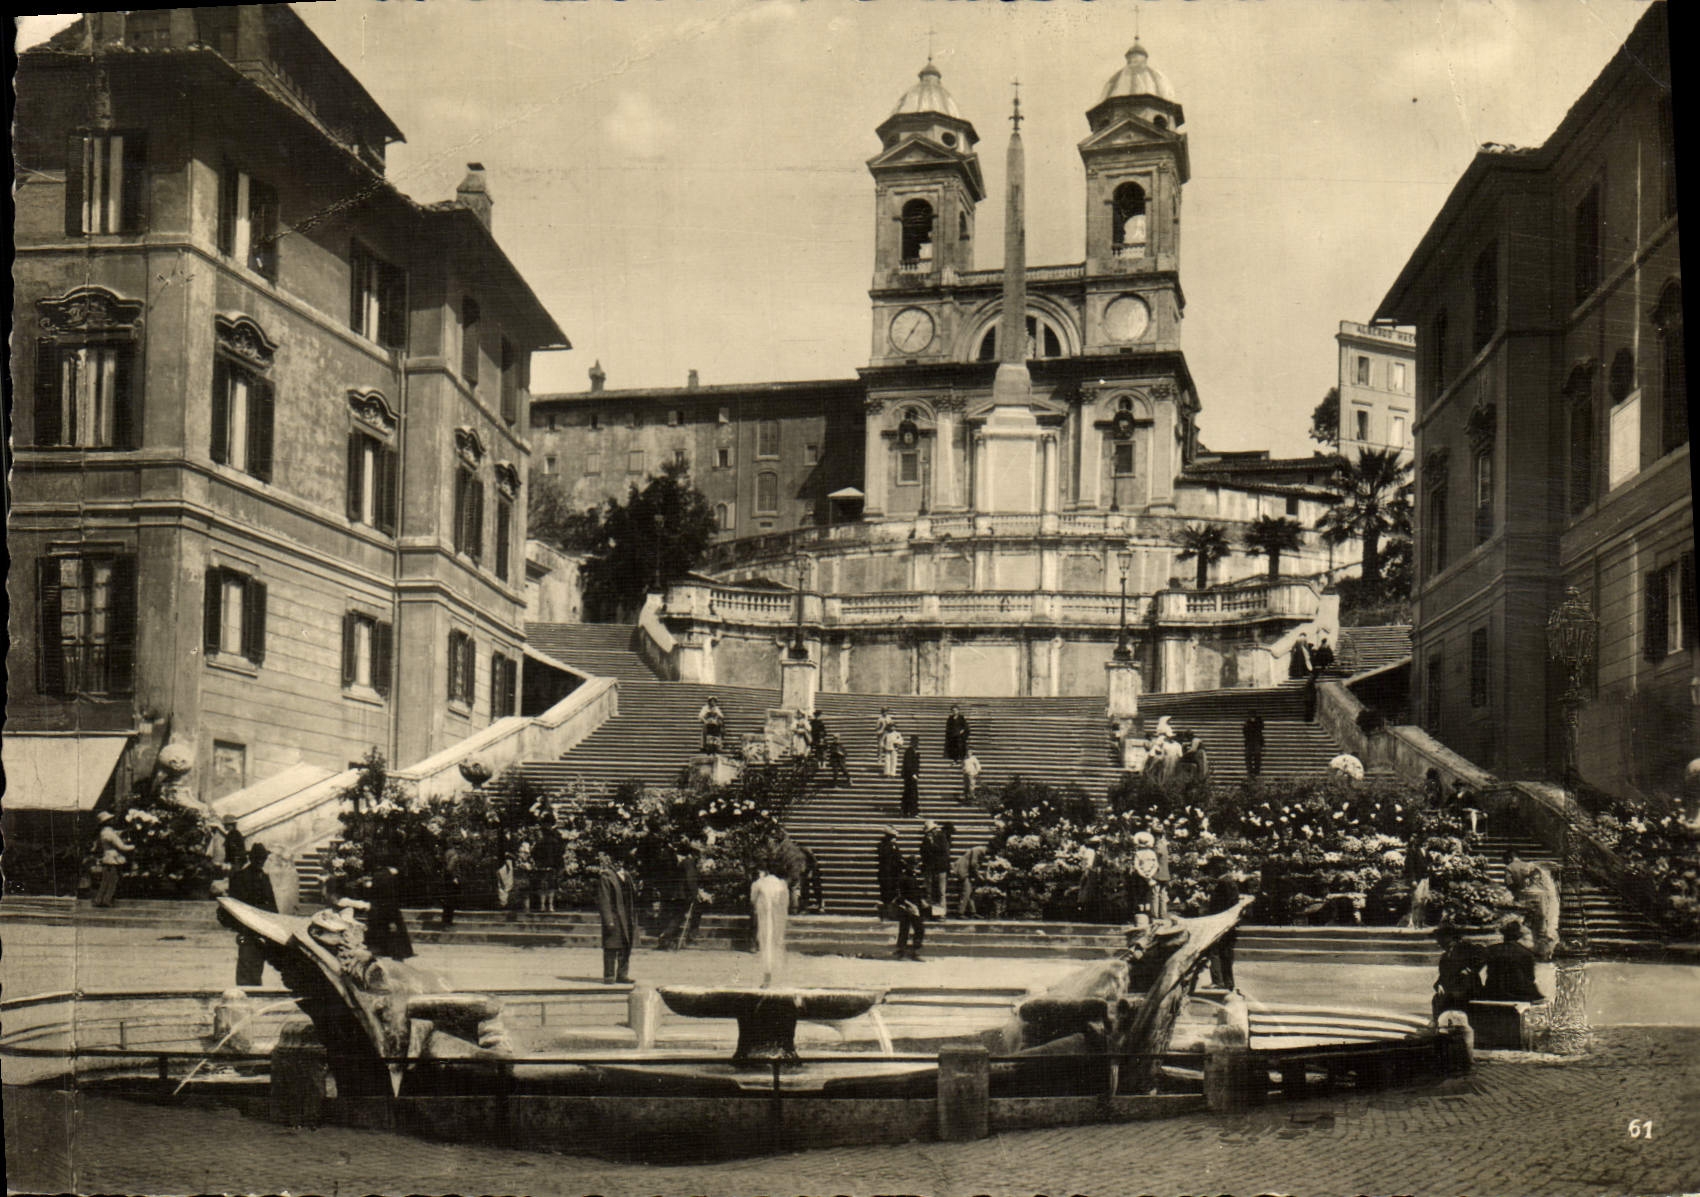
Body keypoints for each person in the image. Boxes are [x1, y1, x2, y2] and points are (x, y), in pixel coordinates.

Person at [228, 842, 277, 985]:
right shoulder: (240, 877)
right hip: (246, 924)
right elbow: (235, 903)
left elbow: (271, 901)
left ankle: (255, 987)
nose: (261, 862)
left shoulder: (264, 877)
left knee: (257, 961)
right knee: (246, 958)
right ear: (252, 859)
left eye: (263, 859)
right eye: (259, 859)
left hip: (262, 925)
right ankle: (245, 988)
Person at [1504, 849, 1560, 961]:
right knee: (1541, 924)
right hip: (1542, 897)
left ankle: (1526, 950)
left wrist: (1515, 894)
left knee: (1526, 923)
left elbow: (1509, 883)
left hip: (1525, 897)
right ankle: (1543, 952)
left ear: (1509, 858)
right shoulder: (1529, 865)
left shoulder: (1509, 867)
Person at [596, 852, 638, 984]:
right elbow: (604, 900)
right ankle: (609, 975)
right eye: (616, 861)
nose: (618, 863)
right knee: (611, 945)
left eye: (621, 861)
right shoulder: (606, 877)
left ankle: (622, 974)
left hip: (627, 915)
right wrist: (608, 919)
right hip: (614, 915)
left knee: (626, 945)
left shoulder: (627, 876)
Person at [1479, 920, 1544, 1002]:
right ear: (1518, 936)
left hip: (1494, 990)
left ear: (1504, 935)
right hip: (1518, 993)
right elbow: (1530, 977)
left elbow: (1478, 968)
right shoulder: (1526, 953)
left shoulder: (1491, 949)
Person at [364, 858, 415, 959]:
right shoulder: (391, 874)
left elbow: (374, 891)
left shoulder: (378, 875)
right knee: (396, 926)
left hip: (382, 904)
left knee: (385, 927)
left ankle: (388, 950)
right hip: (392, 902)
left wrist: (368, 886)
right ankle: (404, 950)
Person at [1431, 925, 1484, 1021]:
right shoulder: (1444, 957)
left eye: (1441, 939)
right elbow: (1443, 975)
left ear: (1451, 938)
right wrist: (1439, 984)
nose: (1439, 943)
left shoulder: (1467, 948)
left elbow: (1482, 955)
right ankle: (1439, 1026)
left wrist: (1471, 969)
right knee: (1437, 999)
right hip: (1454, 989)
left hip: (1469, 989)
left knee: (1453, 1000)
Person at [1205, 855, 1241, 990]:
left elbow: (1226, 904)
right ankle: (1226, 982)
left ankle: (1221, 981)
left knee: (1218, 951)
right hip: (1226, 923)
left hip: (1222, 923)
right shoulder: (1229, 881)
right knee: (1224, 953)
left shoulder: (1224, 883)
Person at [657, 842, 702, 950]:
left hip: (678, 894)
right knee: (678, 917)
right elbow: (690, 880)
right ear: (693, 853)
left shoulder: (683, 862)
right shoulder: (689, 862)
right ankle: (665, 937)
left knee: (677, 916)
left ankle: (667, 939)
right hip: (682, 895)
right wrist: (695, 894)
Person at [751, 864, 790, 987]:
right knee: (776, 942)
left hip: (765, 918)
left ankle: (767, 976)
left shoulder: (759, 883)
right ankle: (777, 976)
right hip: (778, 918)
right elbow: (787, 902)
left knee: (766, 943)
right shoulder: (782, 884)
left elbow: (752, 899)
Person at [91, 812, 135, 909]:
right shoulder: (110, 834)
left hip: (106, 857)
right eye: (111, 820)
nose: (113, 821)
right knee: (113, 880)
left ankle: (98, 899)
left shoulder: (103, 832)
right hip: (113, 858)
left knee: (105, 880)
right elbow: (122, 847)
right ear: (108, 822)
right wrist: (134, 846)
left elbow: (116, 833)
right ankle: (107, 899)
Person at [893, 849, 928, 961]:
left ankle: (914, 951)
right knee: (905, 929)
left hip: (915, 906)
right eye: (912, 865)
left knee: (919, 929)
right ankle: (901, 951)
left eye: (916, 865)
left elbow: (916, 891)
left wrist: (922, 900)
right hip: (906, 907)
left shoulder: (913, 877)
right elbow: (899, 896)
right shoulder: (903, 878)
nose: (914, 867)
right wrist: (910, 905)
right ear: (907, 865)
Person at [532, 814, 565, 913]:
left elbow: (560, 850)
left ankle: (548, 905)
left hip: (549, 862)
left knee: (549, 884)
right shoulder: (552, 835)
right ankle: (545, 905)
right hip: (547, 862)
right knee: (547, 884)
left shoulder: (551, 835)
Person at [919, 820, 951, 916]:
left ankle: (941, 913)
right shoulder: (925, 840)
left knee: (941, 892)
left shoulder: (942, 838)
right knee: (929, 891)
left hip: (940, 868)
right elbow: (923, 852)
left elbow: (944, 853)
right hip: (930, 868)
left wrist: (932, 844)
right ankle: (929, 913)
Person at [775, 832, 809, 914]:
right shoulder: (795, 850)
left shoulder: (783, 849)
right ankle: (794, 908)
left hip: (789, 871)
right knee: (794, 889)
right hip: (796, 871)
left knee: (788, 888)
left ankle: (788, 908)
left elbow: (780, 859)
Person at [953, 842, 988, 917]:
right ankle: (960, 913)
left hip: (967, 872)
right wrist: (978, 875)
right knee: (966, 891)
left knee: (970, 892)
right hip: (963, 871)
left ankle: (973, 912)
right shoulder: (978, 850)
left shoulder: (981, 851)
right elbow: (973, 864)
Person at [876, 826, 903, 919]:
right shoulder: (883, 846)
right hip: (886, 873)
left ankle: (892, 913)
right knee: (886, 893)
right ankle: (887, 913)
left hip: (893, 873)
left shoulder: (893, 845)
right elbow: (885, 858)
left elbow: (899, 858)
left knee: (892, 893)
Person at [440, 842, 463, 929]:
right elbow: (450, 868)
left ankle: (445, 921)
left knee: (448, 901)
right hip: (451, 880)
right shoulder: (454, 855)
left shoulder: (447, 853)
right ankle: (447, 922)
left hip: (446, 880)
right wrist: (455, 878)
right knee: (451, 901)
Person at [900, 735, 922, 817]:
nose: (916, 744)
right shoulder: (909, 751)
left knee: (910, 793)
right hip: (909, 777)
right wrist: (913, 774)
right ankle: (911, 811)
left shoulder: (915, 751)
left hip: (913, 776)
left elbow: (917, 765)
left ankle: (908, 811)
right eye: (915, 742)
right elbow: (907, 764)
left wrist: (917, 774)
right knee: (911, 794)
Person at [800, 846, 825, 913]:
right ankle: (805, 907)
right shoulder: (796, 853)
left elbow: (814, 863)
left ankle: (820, 905)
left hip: (813, 872)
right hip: (804, 872)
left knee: (816, 888)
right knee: (804, 890)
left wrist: (810, 872)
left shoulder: (806, 851)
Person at [1242, 713, 1265, 778]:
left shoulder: (1258, 723)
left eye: (1253, 717)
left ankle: (1256, 771)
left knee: (1257, 757)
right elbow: (1244, 732)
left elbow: (1261, 730)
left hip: (1256, 742)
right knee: (1248, 757)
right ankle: (1250, 771)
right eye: (1251, 717)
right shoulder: (1247, 723)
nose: (1252, 718)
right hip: (1249, 742)